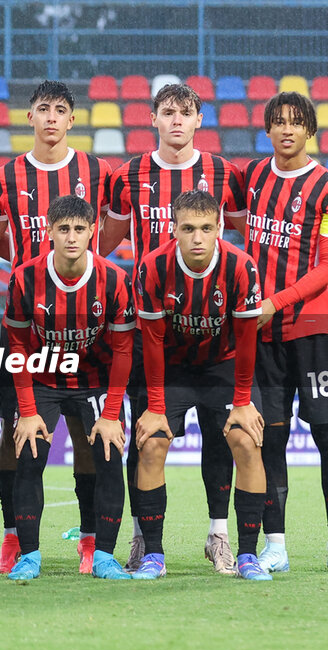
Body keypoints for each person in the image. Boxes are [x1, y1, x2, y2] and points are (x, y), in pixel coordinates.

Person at [101, 82, 248, 575]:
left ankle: (218, 537)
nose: (177, 121)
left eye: (186, 113)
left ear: (199, 120)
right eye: (168, 112)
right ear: (154, 119)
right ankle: (144, 539)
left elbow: (247, 238)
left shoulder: (224, 173)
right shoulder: (131, 174)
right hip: (153, 332)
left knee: (221, 438)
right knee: (146, 437)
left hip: (214, 331)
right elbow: (106, 238)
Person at [0, 80, 113, 575]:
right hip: (26, 328)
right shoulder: (5, 176)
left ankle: (91, 541)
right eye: (42, 109)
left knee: (85, 436)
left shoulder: (97, 172)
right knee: (18, 435)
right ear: (28, 117)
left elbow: (111, 232)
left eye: (60, 110)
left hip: (86, 326)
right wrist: (28, 275)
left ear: (72, 120)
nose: (51, 118)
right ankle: (13, 539)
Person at [243, 91, 328, 575]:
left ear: (310, 131)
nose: (287, 130)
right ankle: (277, 546)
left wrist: (275, 302)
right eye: (278, 122)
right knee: (270, 440)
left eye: (296, 122)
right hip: (263, 335)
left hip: (312, 329)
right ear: (267, 130)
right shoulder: (250, 178)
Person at [133, 190, 270, 581]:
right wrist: (156, 406)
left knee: (246, 441)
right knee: (152, 442)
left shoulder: (241, 266)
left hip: (224, 367)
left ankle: (246, 555)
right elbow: (153, 341)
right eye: (188, 228)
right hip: (172, 368)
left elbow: (247, 340)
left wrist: (242, 402)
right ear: (173, 229)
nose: (197, 237)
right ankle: (153, 555)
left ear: (219, 228)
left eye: (206, 228)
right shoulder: (154, 267)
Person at [3, 195, 135, 580]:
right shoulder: (25, 278)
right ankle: (29, 556)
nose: (72, 237)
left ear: (93, 231)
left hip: (94, 381)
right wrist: (27, 411)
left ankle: (104, 557)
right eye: (64, 229)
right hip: (42, 379)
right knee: (28, 456)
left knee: (109, 457)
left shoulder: (114, 279)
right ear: (49, 232)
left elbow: (124, 350)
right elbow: (17, 346)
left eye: (79, 229)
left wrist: (112, 414)